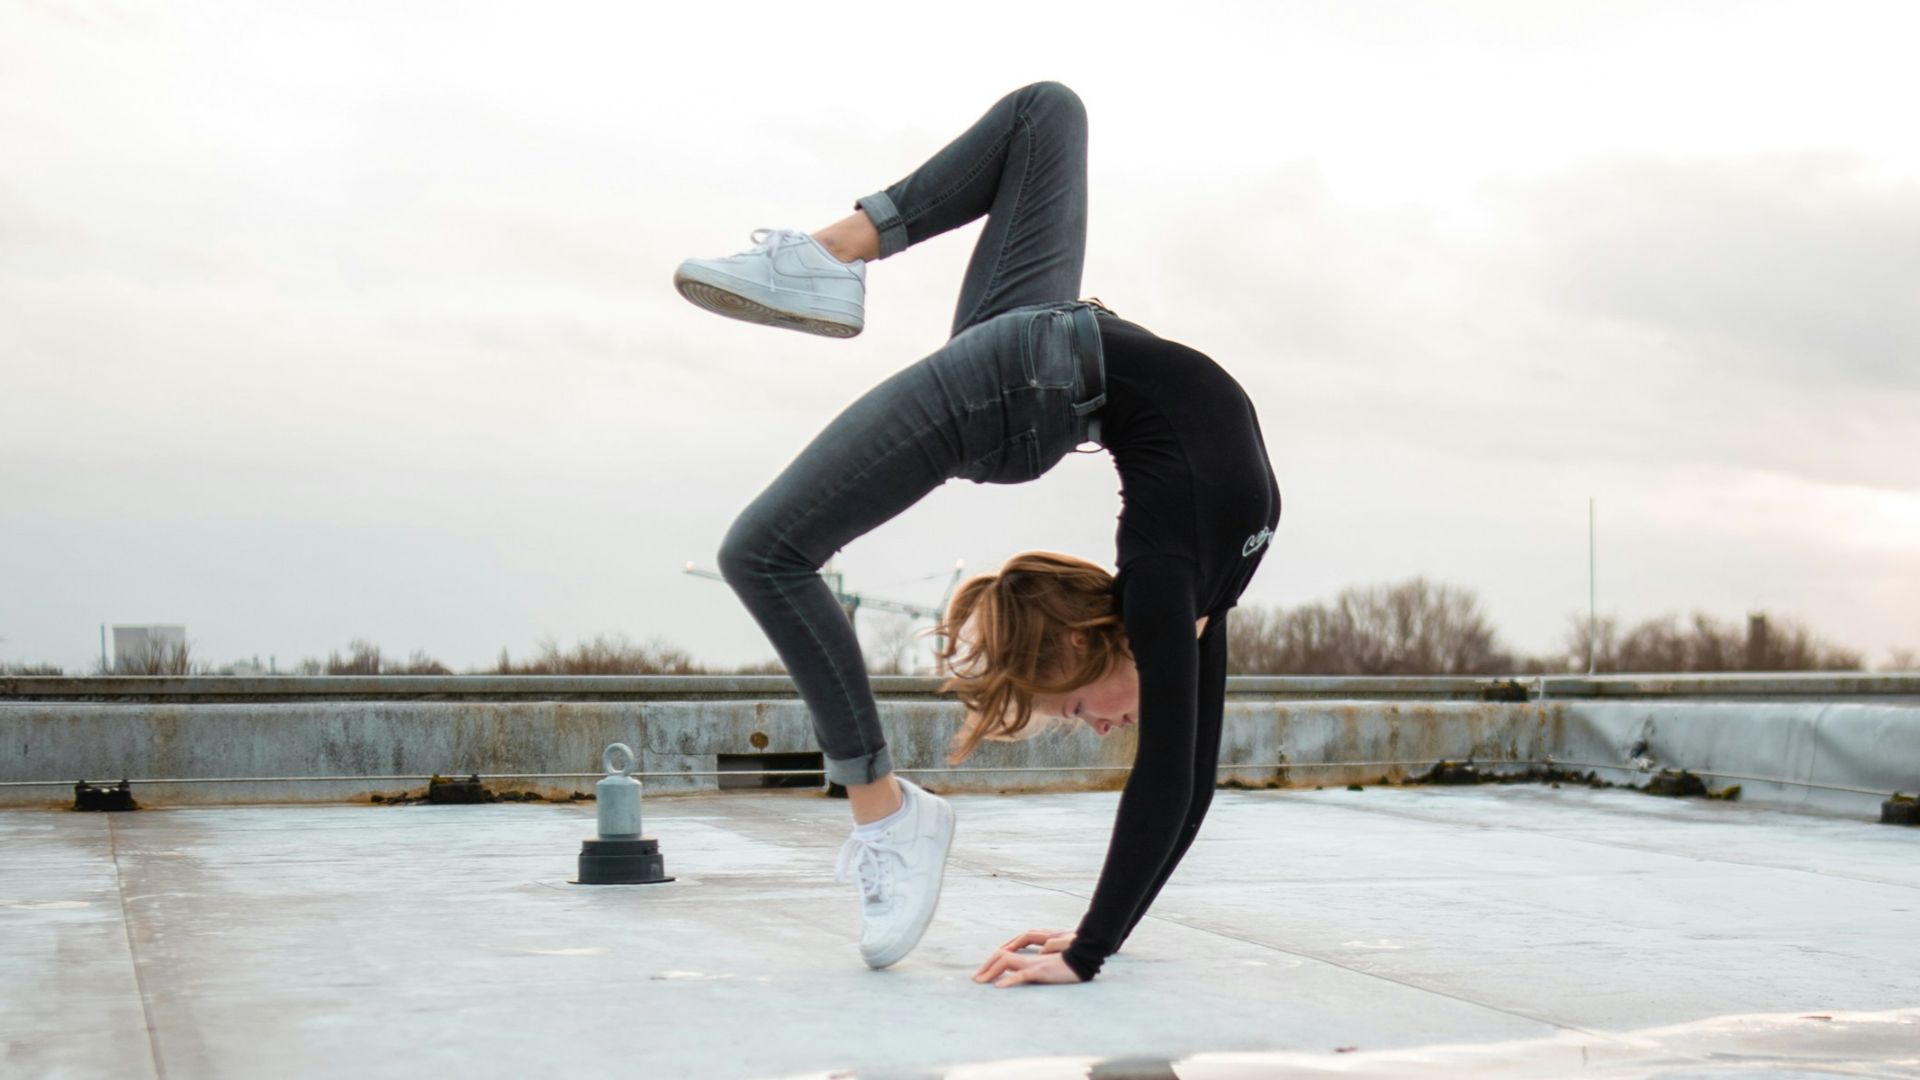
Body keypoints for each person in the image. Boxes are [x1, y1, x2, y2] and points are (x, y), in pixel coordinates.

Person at [681, 82, 1281, 986]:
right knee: (1049, 112)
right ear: (1086, 636)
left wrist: (1092, 943)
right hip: (1032, 370)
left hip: (1036, 371)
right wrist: (1090, 947)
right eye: (1083, 711)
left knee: (765, 551)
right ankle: (831, 254)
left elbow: (1180, 785)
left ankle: (823, 258)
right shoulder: (1172, 590)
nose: (1098, 725)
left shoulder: (1180, 590)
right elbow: (1176, 784)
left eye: (1078, 710)